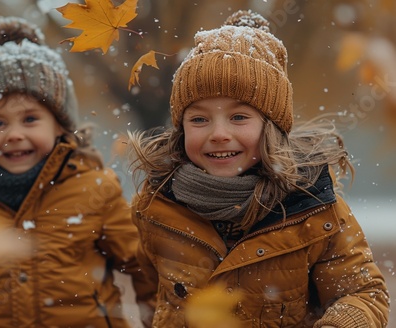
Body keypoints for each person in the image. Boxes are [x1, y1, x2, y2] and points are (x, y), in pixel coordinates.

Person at [128, 10, 390, 328]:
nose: (219, 133)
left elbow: (363, 293)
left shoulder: (314, 208)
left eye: (239, 117)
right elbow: (150, 291)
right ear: (182, 129)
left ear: (271, 128)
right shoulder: (155, 206)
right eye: (199, 119)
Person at [0, 16, 155, 328]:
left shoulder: (94, 188)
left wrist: (161, 318)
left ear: (60, 124)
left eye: (30, 119)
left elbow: (142, 266)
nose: (13, 134)